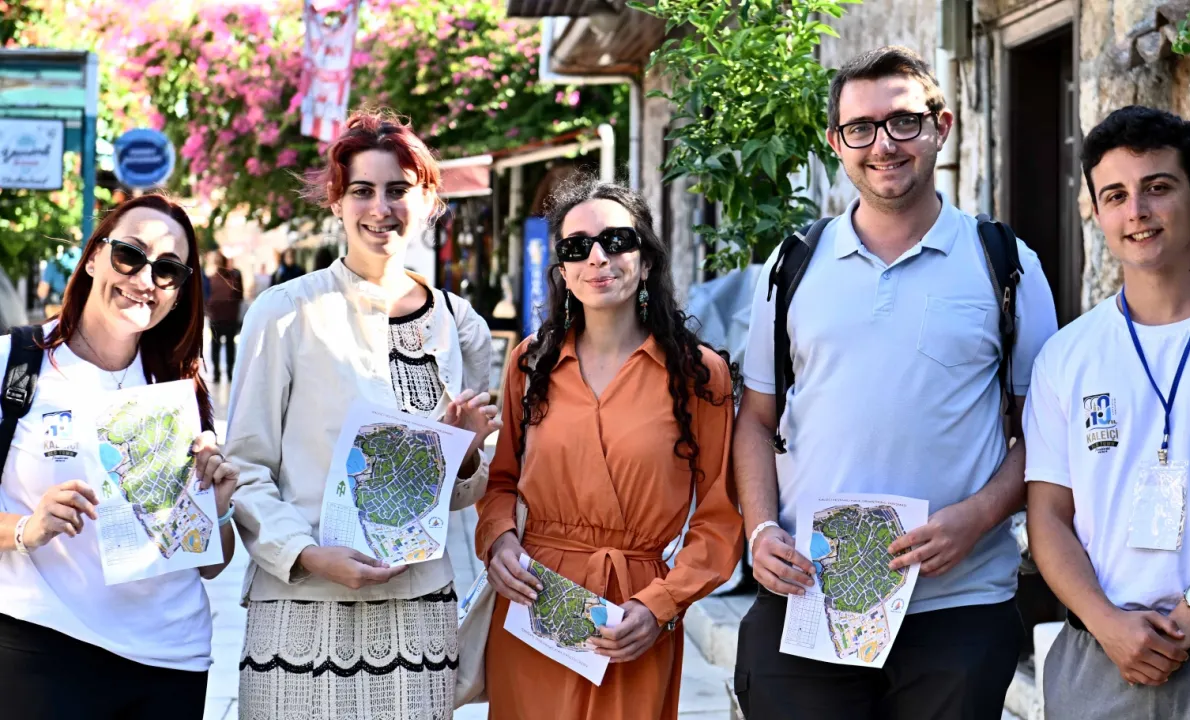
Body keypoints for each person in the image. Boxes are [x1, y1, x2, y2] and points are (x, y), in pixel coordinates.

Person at [731, 45, 1059, 719]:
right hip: (810, 600)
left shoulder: (1006, 264)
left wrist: (979, 517)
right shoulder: (792, 266)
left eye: (904, 121)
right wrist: (760, 530)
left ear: (942, 126)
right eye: (861, 128)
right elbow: (757, 419)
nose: (883, 145)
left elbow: (1045, 435)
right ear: (836, 143)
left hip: (958, 605)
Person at [227, 110, 500, 720]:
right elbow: (244, 467)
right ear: (337, 201)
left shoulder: (461, 327)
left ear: (427, 201)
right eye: (362, 190)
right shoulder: (286, 313)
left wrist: (464, 456)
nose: (381, 208)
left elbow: (464, 493)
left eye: (399, 189)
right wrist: (305, 554)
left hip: (416, 613)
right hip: (300, 604)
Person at [1023, 105, 1190, 719]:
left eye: (1158, 187)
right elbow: (1048, 516)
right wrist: (1106, 622)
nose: (1136, 211)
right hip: (1098, 658)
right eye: (1115, 195)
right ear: (1095, 211)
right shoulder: (1066, 355)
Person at [477, 175, 744, 720]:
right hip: (534, 602)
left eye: (616, 241)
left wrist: (662, 604)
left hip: (632, 618)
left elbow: (721, 517)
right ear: (563, 271)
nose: (598, 258)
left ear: (646, 261)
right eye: (577, 248)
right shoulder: (530, 364)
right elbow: (500, 481)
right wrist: (499, 541)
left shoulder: (698, 374)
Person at [0, 193, 239, 717]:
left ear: (179, 291)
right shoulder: (14, 364)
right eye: (130, 254)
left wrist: (217, 508)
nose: (145, 278)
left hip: (171, 660)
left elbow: (209, 566)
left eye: (168, 269)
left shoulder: (180, 387)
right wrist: (25, 529)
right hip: (42, 645)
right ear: (93, 257)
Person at [206, 251, 243, 384]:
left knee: (219, 345)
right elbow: (239, 296)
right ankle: (226, 373)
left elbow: (206, 297)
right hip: (225, 317)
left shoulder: (213, 278)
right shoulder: (232, 277)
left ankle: (220, 374)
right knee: (227, 346)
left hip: (220, 317)